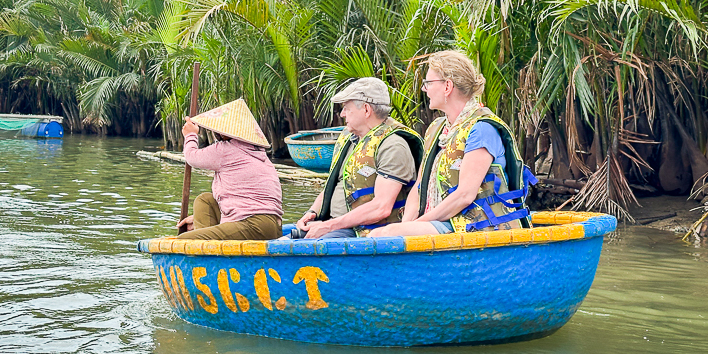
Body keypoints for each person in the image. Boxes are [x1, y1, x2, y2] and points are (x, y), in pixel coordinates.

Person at [370, 51, 535, 237]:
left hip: (476, 226)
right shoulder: (437, 129)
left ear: (447, 86)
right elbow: (419, 187)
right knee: (387, 233)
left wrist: (416, 225)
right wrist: (407, 225)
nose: (425, 89)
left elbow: (465, 195)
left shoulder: (481, 129)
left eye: (428, 83)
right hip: (445, 222)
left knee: (383, 235)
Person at [293, 77, 422, 239]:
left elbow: (381, 207)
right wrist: (312, 212)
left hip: (364, 232)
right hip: (336, 225)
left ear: (366, 110)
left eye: (347, 108)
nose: (342, 114)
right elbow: (333, 184)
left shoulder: (393, 146)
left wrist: (328, 226)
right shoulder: (350, 139)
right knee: (284, 240)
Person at [176, 98, 283, 241]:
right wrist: (198, 219)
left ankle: (204, 247)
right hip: (272, 226)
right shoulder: (258, 153)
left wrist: (190, 135)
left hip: (253, 223)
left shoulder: (226, 150)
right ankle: (208, 248)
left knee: (185, 240)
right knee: (205, 200)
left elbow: (192, 157)